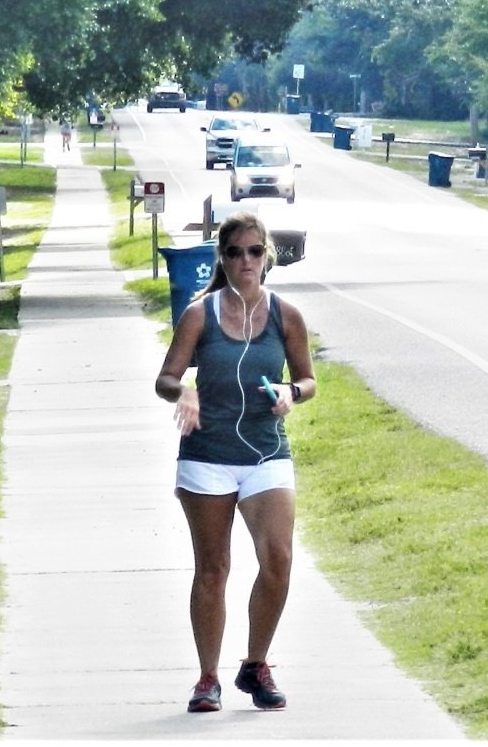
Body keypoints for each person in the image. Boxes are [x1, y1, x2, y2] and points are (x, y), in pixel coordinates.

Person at [154, 212, 315, 713]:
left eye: (253, 251)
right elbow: (165, 377)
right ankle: (207, 679)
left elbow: (308, 380)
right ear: (221, 260)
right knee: (213, 569)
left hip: (266, 451)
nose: (245, 260)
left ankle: (255, 665)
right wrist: (185, 393)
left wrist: (291, 391)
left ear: (267, 256)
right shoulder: (200, 314)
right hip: (208, 455)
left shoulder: (286, 315)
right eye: (234, 252)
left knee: (279, 559)